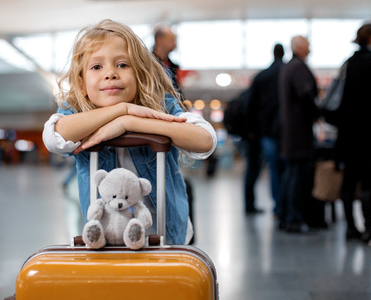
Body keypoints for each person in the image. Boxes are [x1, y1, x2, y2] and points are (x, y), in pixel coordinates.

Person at [42, 19, 217, 245]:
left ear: (139, 74)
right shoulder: (77, 110)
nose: (111, 73)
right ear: (82, 84)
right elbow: (54, 137)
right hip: (107, 240)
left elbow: (205, 139)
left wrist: (131, 122)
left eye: (123, 65)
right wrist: (121, 109)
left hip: (165, 235)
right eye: (97, 67)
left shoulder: (159, 103)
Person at [332, 23, 371, 244]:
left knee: (349, 182)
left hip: (348, 135)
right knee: (367, 182)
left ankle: (350, 228)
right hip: (369, 136)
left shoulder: (348, 64)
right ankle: (368, 229)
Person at [278, 36, 319, 233]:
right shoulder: (298, 68)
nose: (310, 49)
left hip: (289, 133)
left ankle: (286, 216)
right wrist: (319, 114)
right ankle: (294, 218)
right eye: (308, 46)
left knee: (290, 176)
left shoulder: (287, 68)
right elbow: (307, 97)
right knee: (296, 177)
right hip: (299, 134)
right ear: (300, 48)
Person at [246, 43, 285, 216]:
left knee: (265, 168)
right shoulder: (287, 73)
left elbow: (251, 105)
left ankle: (254, 204)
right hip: (283, 130)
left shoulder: (261, 77)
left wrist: (253, 130)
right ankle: (281, 206)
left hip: (263, 131)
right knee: (282, 169)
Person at [152, 25, 183, 97]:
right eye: (171, 40)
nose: (175, 44)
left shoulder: (173, 66)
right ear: (159, 40)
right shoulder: (148, 64)